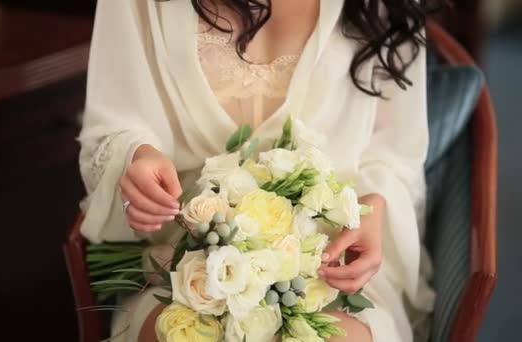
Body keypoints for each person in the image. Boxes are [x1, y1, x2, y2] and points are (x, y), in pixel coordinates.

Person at [78, 0, 437, 341]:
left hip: (332, 267)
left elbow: (397, 153)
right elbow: (110, 126)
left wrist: (371, 210)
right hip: (183, 271)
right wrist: (136, 156)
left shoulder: (387, 6)